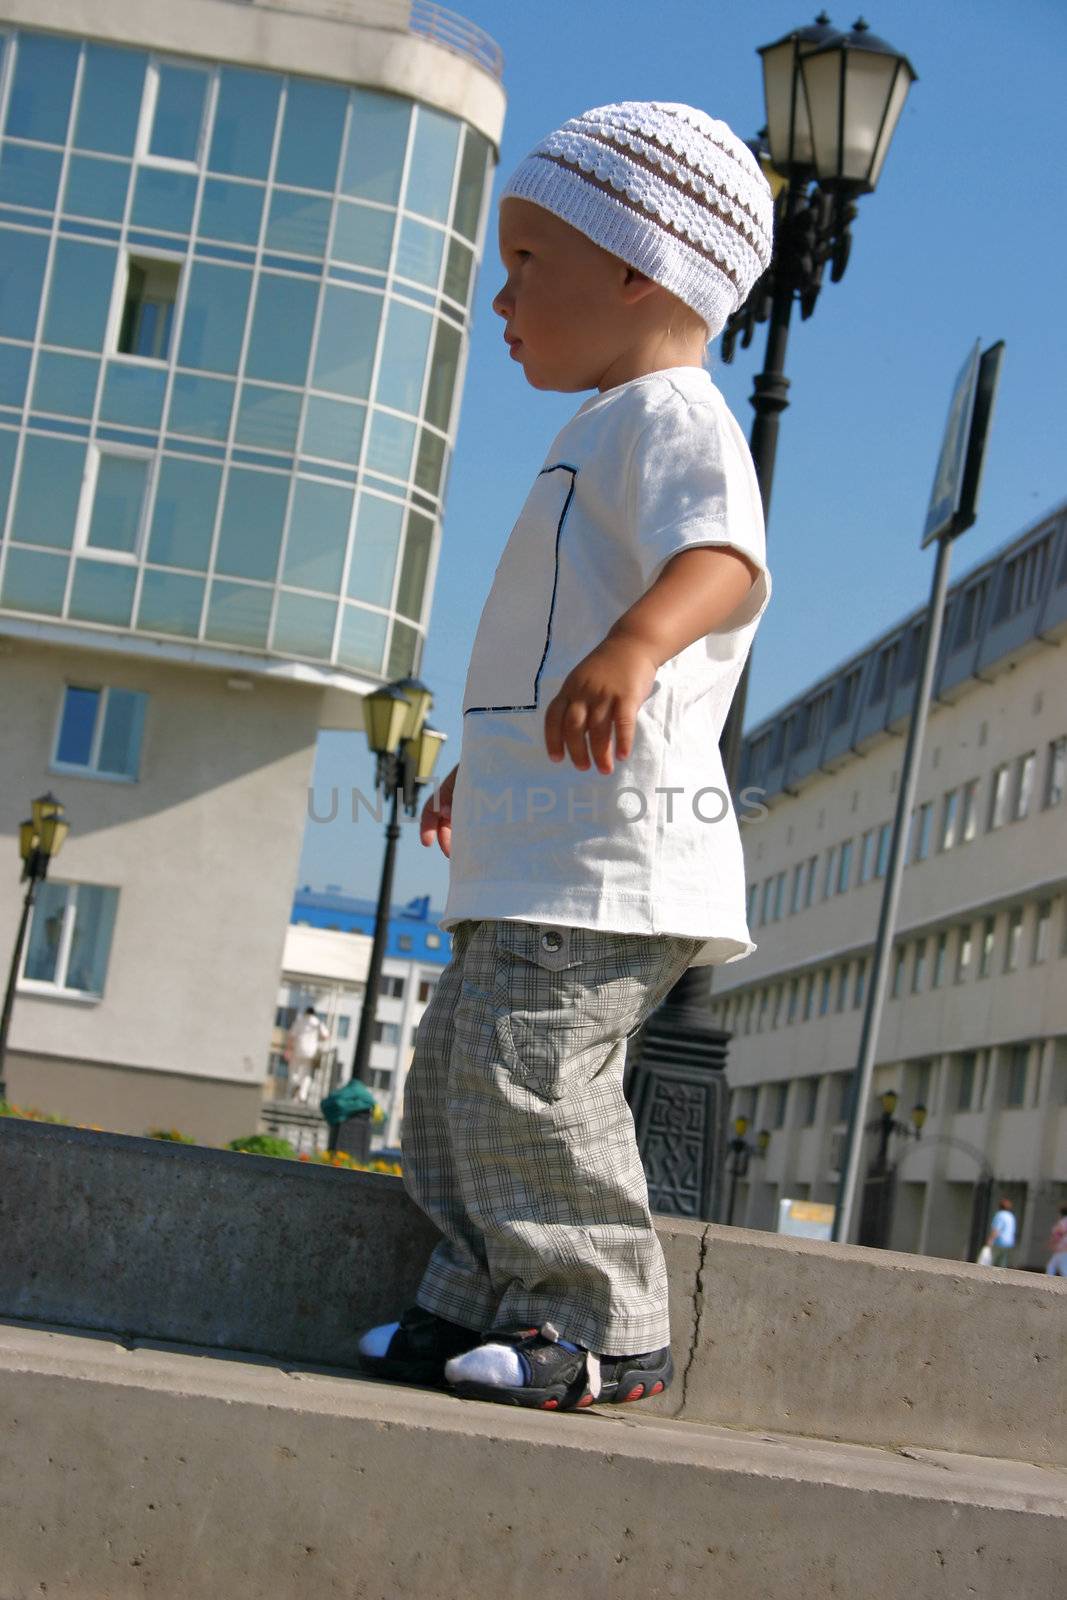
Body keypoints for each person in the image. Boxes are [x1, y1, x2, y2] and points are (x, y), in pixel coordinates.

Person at [359, 101, 774, 1410]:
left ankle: (604, 1324)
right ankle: (479, 1305)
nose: (501, 297)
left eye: (530, 262)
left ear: (638, 264)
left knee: (525, 1078)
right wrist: (492, 766)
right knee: (450, 1091)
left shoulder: (671, 415)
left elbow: (721, 560)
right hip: (537, 844)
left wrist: (638, 647)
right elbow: (549, 643)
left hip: (610, 858)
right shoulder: (594, 428)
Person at [286, 1006, 328, 1105]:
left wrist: (289, 1049)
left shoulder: (299, 1020)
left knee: (294, 1071)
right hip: (311, 1052)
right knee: (306, 1073)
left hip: (298, 1049)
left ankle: (296, 1084)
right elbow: (326, 1036)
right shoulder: (318, 1022)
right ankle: (302, 1095)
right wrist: (318, 1038)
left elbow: (292, 1036)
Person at [985, 1196, 1017, 1268]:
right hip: (1009, 1243)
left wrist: (990, 1241)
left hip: (999, 1242)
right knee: (1003, 1263)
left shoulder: (999, 1215)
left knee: (993, 1262)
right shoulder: (1011, 1216)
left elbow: (996, 1230)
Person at [1045, 1203, 1067, 1276]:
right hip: (1062, 1248)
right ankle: (1048, 1282)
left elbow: (1059, 1233)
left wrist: (1052, 1242)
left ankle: (1048, 1281)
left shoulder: (1063, 1221)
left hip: (1062, 1247)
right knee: (1052, 1266)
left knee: (1061, 1268)